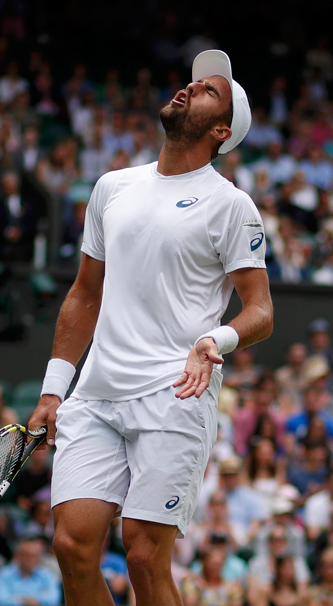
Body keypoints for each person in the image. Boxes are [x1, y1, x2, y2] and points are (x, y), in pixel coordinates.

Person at [27, 49, 269, 606]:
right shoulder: (113, 187)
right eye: (193, 82)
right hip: (95, 395)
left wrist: (217, 340)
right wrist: (51, 390)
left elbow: (261, 310)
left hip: (175, 392)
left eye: (207, 91)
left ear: (220, 129)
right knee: (72, 545)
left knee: (141, 552)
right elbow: (84, 294)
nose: (189, 88)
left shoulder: (232, 206)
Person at [0, 536, 61, 606]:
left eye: (34, 556)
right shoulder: (4, 574)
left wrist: (19, 599)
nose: (30, 559)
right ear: (17, 556)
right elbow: (1, 600)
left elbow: (53, 599)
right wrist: (33, 601)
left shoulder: (47, 575)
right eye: (26, 555)